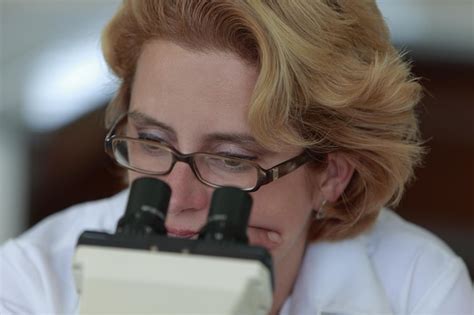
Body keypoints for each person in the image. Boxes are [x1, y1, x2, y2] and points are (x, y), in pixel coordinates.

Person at [1, 1, 472, 314]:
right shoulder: (32, 281)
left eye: (230, 160)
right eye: (152, 142)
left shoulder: (416, 291)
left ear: (332, 173)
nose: (176, 199)